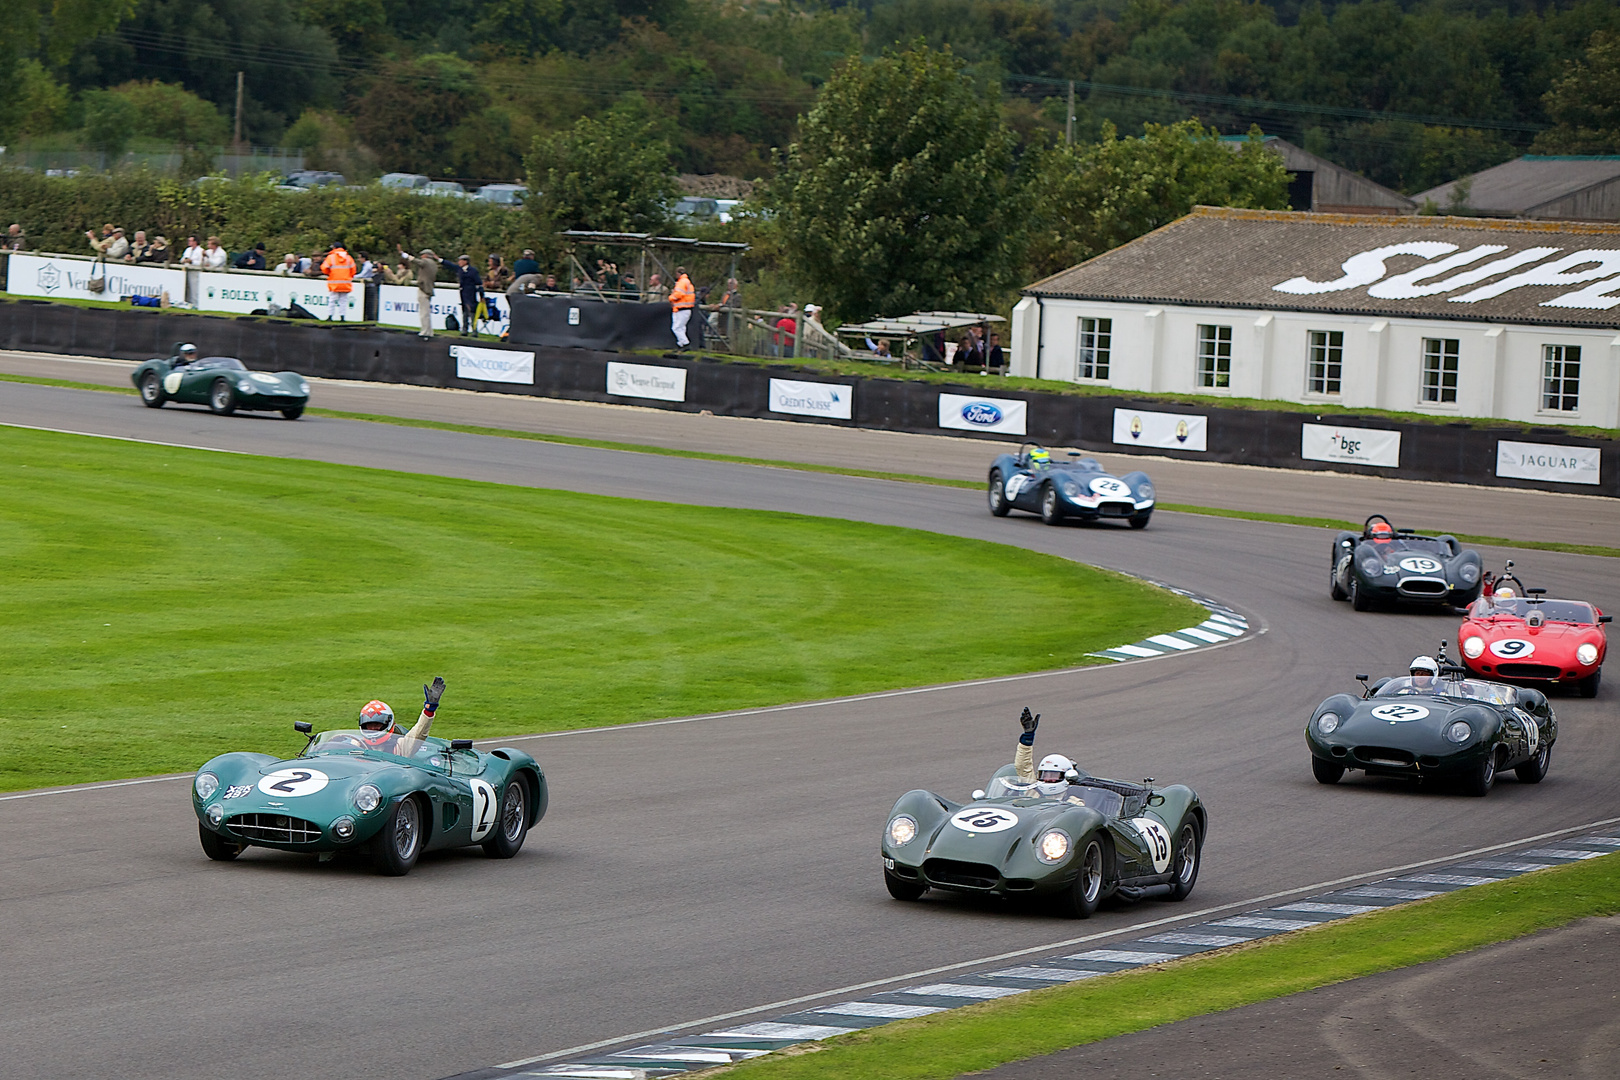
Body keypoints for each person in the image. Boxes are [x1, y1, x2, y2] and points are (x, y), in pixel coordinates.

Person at [356, 677, 446, 757]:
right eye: (369, 725)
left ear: (388, 724)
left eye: (377, 724)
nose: (373, 728)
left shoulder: (400, 747)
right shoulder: (356, 745)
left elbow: (418, 734)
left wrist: (429, 711)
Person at [1012, 707, 1082, 799]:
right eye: (1044, 774)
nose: (1047, 779)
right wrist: (1027, 738)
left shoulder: (1075, 804)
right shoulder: (1034, 794)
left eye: (1053, 775)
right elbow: (1022, 767)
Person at [399, 246, 442, 338]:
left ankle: (425, 331)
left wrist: (406, 255)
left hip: (423, 288)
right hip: (429, 288)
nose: (421, 256)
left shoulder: (426, 262)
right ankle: (429, 331)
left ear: (426, 255)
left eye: (422, 255)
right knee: (426, 312)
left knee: (423, 312)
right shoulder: (434, 263)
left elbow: (417, 261)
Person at [441, 253, 483, 334]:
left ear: (465, 261)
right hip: (463, 293)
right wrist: (441, 260)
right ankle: (465, 329)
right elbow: (450, 265)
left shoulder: (473, 271)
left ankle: (474, 330)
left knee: (472, 312)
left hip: (471, 293)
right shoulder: (460, 269)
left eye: (460, 261)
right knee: (464, 312)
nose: (459, 262)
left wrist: (481, 295)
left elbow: (478, 283)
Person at [319, 241, 357, 321]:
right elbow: (353, 270)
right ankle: (342, 317)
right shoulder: (348, 257)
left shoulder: (331, 257)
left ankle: (330, 316)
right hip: (345, 283)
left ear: (334, 248)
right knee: (343, 301)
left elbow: (324, 268)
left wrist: (329, 273)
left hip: (334, 282)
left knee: (332, 300)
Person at [670, 265, 695, 349]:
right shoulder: (687, 281)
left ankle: (685, 343)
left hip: (682, 308)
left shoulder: (682, 282)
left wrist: (671, 297)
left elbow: (678, 294)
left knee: (676, 328)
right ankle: (681, 344)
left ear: (678, 273)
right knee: (681, 328)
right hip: (682, 308)